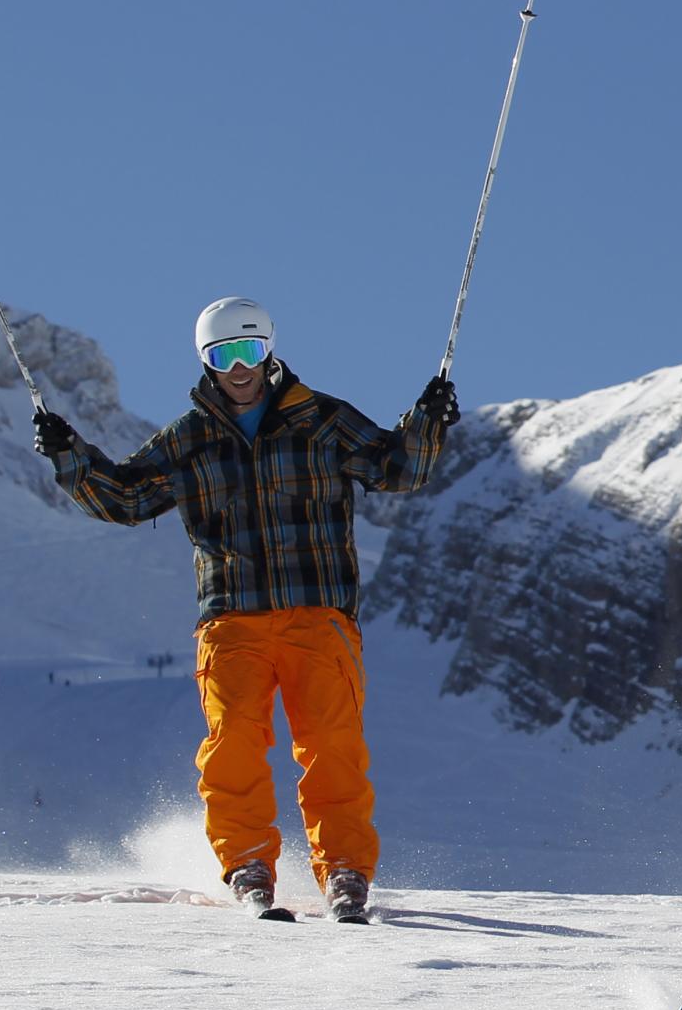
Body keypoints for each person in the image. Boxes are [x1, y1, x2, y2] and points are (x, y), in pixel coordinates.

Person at [31, 297, 458, 923]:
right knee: (232, 740)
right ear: (206, 360)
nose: (240, 367)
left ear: (270, 351)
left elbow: (399, 467)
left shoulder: (322, 419)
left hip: (319, 614)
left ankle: (343, 871)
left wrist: (428, 420)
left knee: (332, 745)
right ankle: (249, 863)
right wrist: (69, 454)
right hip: (232, 618)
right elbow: (123, 499)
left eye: (250, 351)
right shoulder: (189, 439)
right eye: (225, 354)